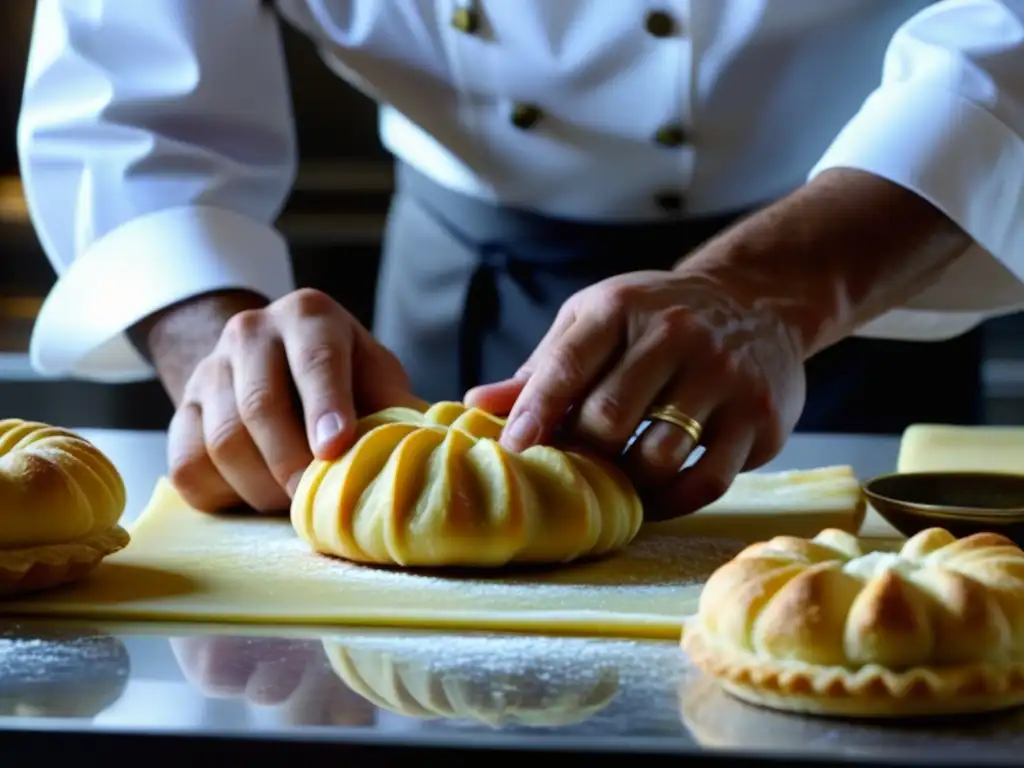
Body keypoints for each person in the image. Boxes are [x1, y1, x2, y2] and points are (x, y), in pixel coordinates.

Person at [17, 1, 1024, 522]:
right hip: (455, 283)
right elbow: (132, 87)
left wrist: (766, 291)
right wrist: (221, 354)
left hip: (872, 252)